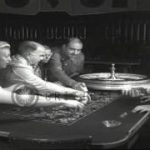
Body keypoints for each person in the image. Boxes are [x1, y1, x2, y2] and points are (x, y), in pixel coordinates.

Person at [1, 41, 89, 109]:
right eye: (41, 55)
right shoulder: (18, 65)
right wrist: (64, 100)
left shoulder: (25, 62)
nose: (10, 59)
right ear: (29, 55)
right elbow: (22, 99)